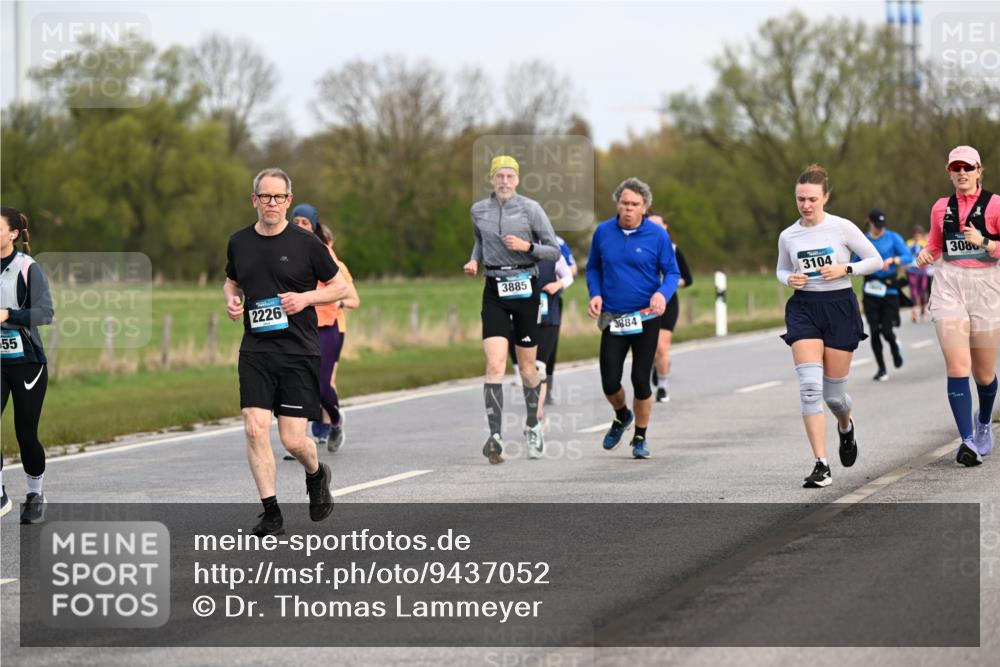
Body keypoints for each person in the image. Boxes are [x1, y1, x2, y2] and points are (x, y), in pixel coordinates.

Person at [224, 168, 349, 535]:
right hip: (256, 349)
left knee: (293, 440)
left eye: (279, 197)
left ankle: (316, 472)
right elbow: (232, 281)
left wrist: (305, 298)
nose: (272, 203)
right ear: (254, 200)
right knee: (254, 428)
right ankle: (271, 513)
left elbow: (340, 287)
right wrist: (232, 300)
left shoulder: (307, 243)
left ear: (288, 200)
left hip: (298, 351)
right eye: (265, 196)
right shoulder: (239, 242)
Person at [776, 164, 882, 488]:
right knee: (810, 388)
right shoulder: (788, 235)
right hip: (804, 309)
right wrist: (789, 279)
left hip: (839, 307)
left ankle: (846, 426)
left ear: (825, 197)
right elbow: (781, 269)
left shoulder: (842, 227)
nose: (806, 205)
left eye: (812, 199)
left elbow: (875, 260)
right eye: (800, 199)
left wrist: (846, 269)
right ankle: (821, 464)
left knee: (835, 397)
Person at [464, 156, 561, 464]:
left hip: (525, 289)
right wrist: (474, 260)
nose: (504, 181)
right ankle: (495, 437)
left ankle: (533, 424)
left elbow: (554, 250)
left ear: (517, 180)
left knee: (527, 369)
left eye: (509, 176)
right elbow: (480, 241)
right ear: (491, 179)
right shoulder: (478, 210)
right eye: (499, 176)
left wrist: (527, 247)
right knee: (494, 364)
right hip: (494, 289)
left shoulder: (531, 209)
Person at [915, 145, 1000, 467]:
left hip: (987, 288)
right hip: (949, 286)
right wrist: (926, 254)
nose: (962, 173)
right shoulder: (940, 207)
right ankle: (967, 442)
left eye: (967, 167)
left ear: (979, 170)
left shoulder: (995, 205)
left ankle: (983, 422)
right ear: (949, 173)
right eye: (956, 168)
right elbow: (935, 245)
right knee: (957, 366)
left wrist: (986, 243)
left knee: (984, 374)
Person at [586, 178, 680, 459]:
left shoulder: (657, 235)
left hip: (645, 317)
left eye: (634, 204)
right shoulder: (603, 232)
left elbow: (672, 272)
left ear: (644, 207)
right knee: (609, 381)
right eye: (624, 203)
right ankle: (621, 414)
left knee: (640, 379)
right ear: (618, 203)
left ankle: (640, 436)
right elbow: (593, 268)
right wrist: (595, 294)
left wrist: (662, 294)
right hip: (613, 317)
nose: (628, 209)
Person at [290, 205, 360, 453]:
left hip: (327, 325)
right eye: (296, 222)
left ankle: (335, 420)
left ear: (314, 226)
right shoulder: (284, 250)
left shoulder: (324, 253)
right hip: (298, 325)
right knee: (296, 382)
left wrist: (332, 301)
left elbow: (349, 294)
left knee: (322, 384)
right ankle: (297, 441)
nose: (300, 227)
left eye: (305, 223)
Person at [0, 207, 54, 523]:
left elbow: (45, 313)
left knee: (25, 434)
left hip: (27, 364)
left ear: (13, 234)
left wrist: (9, 314)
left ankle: (35, 494)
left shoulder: (27, 268)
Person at [856, 209, 912, 381]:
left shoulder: (893, 237)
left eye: (882, 225)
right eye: (877, 225)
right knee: (874, 331)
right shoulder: (862, 240)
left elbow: (908, 256)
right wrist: (873, 265)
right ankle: (881, 369)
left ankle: (894, 346)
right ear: (870, 223)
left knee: (887, 330)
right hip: (871, 289)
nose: (880, 229)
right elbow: (855, 263)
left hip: (890, 290)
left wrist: (893, 260)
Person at [647, 213, 693, 402]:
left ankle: (662, 388)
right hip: (643, 303)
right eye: (651, 225)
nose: (656, 228)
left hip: (668, 302)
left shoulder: (673, 249)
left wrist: (669, 283)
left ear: (665, 227)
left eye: (659, 225)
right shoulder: (639, 248)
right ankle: (656, 364)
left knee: (661, 346)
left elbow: (687, 279)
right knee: (648, 347)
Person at [906, 225, 931, 322]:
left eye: (919, 234)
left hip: (922, 271)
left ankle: (923, 309)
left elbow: (929, 255)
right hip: (912, 270)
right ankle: (914, 311)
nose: (917, 236)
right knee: (913, 291)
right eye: (915, 234)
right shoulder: (909, 243)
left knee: (922, 291)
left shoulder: (925, 244)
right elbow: (906, 255)